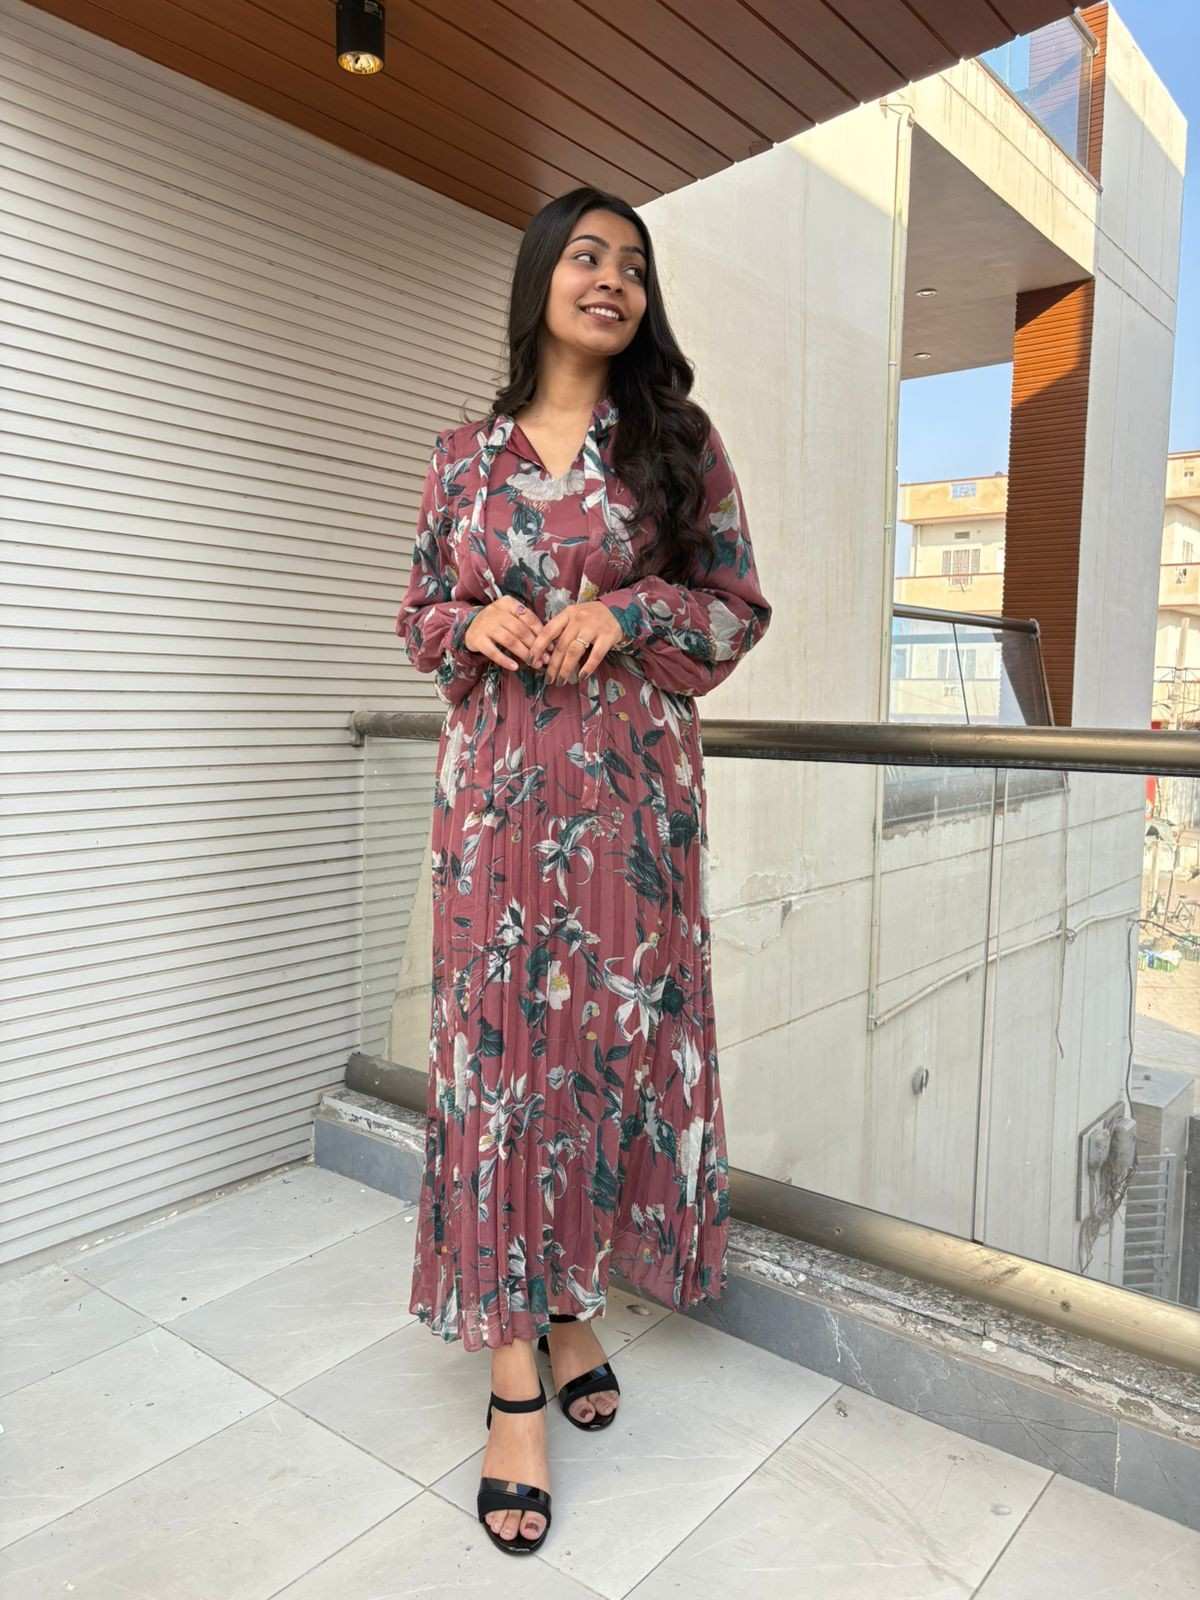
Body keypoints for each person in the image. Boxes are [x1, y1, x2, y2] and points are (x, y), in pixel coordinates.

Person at [395, 185, 773, 1556]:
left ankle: (569, 1308)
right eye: (587, 256)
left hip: (630, 818)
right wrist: (471, 622)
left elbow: (737, 609)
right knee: (500, 1073)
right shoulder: (462, 459)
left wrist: (628, 608)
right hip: (494, 813)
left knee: (601, 1064)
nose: (611, 279)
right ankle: (514, 1384)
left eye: (633, 265)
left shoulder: (678, 445)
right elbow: (416, 610)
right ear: (542, 278)